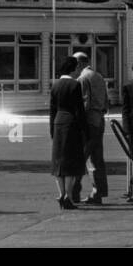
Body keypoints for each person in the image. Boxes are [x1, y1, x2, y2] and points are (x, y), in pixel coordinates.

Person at [71, 52, 108, 205]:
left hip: (88, 122)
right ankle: (98, 192)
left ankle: (73, 192)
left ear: (79, 64)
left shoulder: (82, 79)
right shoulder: (98, 76)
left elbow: (84, 103)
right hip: (99, 120)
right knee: (97, 158)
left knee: (80, 158)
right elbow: (106, 100)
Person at [49, 56, 86, 210]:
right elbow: (79, 110)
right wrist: (84, 130)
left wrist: (52, 129)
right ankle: (68, 196)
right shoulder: (75, 85)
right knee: (71, 160)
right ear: (72, 69)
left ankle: (61, 192)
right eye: (77, 68)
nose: (78, 71)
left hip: (58, 122)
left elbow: (52, 110)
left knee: (58, 160)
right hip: (71, 124)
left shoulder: (55, 85)